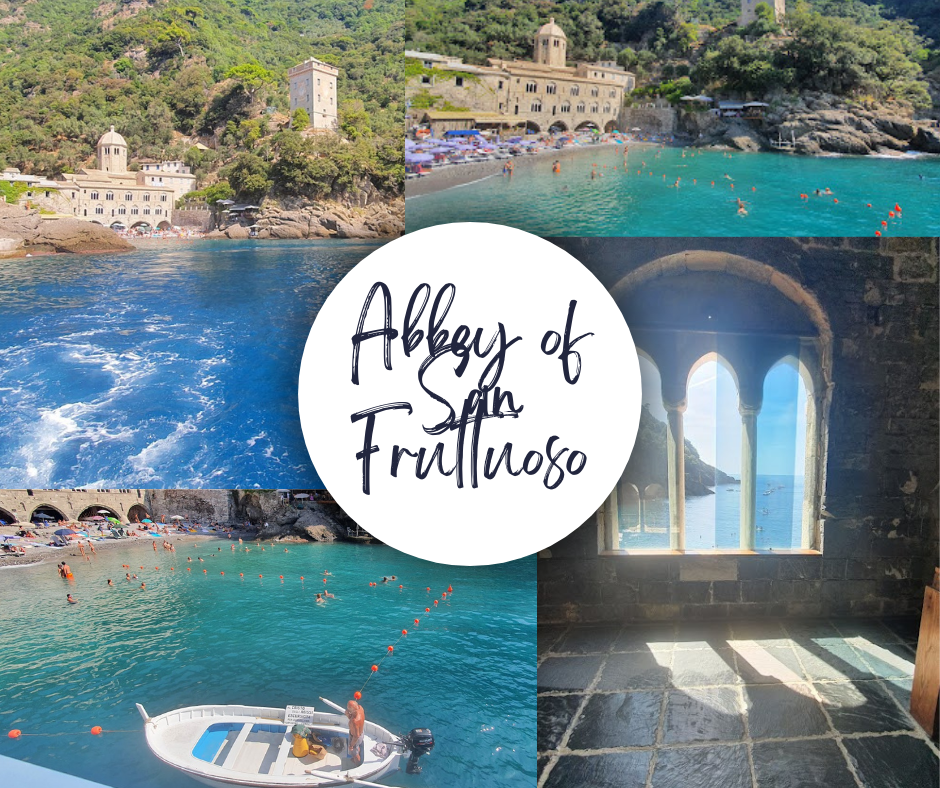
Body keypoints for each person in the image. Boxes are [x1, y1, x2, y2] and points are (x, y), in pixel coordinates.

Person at [346, 701, 365, 766]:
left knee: (355, 754)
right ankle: (357, 750)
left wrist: (351, 745)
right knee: (357, 747)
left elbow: (356, 736)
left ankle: (357, 763)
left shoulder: (354, 721)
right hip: (362, 733)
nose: (347, 710)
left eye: (348, 709)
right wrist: (349, 714)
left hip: (355, 738)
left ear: (352, 710)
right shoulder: (361, 708)